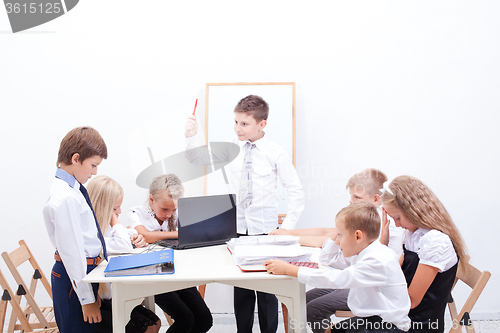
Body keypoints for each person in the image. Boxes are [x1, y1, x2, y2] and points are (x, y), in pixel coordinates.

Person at [185, 94, 305, 333]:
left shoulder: (275, 152)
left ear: (262, 124)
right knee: (242, 290)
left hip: (267, 232)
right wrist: (191, 137)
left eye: (244, 123)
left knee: (267, 293)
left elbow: (296, 191)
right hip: (238, 230)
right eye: (236, 122)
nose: (238, 128)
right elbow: (196, 159)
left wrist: (286, 227)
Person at [271, 168, 404, 330]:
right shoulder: (365, 244)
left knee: (316, 311)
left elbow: (336, 277)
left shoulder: (375, 245)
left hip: (385, 322)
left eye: (356, 197)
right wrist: (336, 236)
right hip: (367, 301)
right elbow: (330, 260)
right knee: (307, 304)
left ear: (358, 236)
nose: (350, 201)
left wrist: (290, 269)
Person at [381, 175, 469, 333]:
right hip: (400, 314)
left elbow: (412, 301)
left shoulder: (436, 241)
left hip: (417, 325)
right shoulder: (413, 235)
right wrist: (383, 244)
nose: (396, 224)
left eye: (397, 218)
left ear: (414, 211)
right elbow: (395, 273)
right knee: (337, 328)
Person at [128, 174, 213, 333]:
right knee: (185, 319)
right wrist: (178, 233)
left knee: (204, 319)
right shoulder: (136, 213)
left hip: (179, 273)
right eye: (165, 209)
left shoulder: (179, 214)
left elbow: (194, 233)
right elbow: (145, 235)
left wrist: (164, 235)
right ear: (152, 200)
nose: (169, 214)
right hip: (154, 276)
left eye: (174, 209)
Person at [43, 126, 108, 333]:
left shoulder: (72, 190)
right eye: (93, 165)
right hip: (75, 276)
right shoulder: (65, 198)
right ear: (76, 158)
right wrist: (86, 298)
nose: (95, 172)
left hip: (82, 275)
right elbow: (72, 253)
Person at [87, 175, 159, 333]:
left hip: (115, 294)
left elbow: (127, 237)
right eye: (114, 209)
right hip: (105, 302)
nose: (119, 212)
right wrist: (114, 220)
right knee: (149, 327)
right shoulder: (92, 234)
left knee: (155, 322)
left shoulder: (106, 227)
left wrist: (136, 237)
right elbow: (123, 245)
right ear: (102, 208)